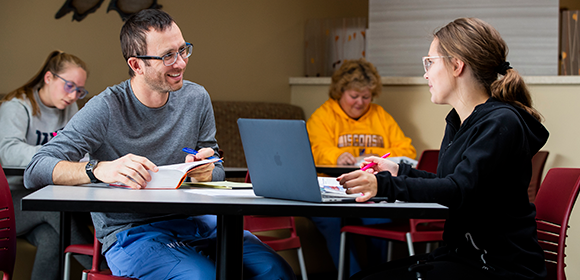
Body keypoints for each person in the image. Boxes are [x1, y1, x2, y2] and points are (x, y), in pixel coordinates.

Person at [24, 9, 295, 280]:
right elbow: (36, 169)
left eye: (183, 50)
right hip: (132, 234)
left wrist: (206, 171)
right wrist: (98, 170)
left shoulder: (196, 98)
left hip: (198, 221)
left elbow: (218, 170)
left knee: (276, 271)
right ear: (136, 65)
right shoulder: (105, 108)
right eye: (167, 56)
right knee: (202, 277)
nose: (180, 63)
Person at [339, 18, 548, 280]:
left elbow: (458, 190)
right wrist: (397, 171)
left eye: (430, 62)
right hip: (464, 255)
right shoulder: (458, 121)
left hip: (500, 266)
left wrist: (383, 186)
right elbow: (450, 184)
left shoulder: (501, 122)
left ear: (457, 65)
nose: (426, 73)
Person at [306, 58, 417, 276]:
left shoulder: (380, 115)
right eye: (354, 96)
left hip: (370, 190)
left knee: (380, 219)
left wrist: (382, 159)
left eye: (366, 97)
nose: (360, 102)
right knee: (331, 222)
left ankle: (378, 275)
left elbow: (406, 149)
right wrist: (337, 156)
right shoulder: (323, 116)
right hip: (331, 190)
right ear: (340, 91)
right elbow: (315, 147)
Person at [0, 50, 93, 280]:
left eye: (79, 91)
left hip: (43, 194)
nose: (73, 96)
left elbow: (82, 149)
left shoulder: (69, 107)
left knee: (53, 240)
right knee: (56, 210)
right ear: (49, 78)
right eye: (69, 86)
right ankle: (103, 269)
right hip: (10, 202)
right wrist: (54, 157)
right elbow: (8, 153)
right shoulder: (16, 106)